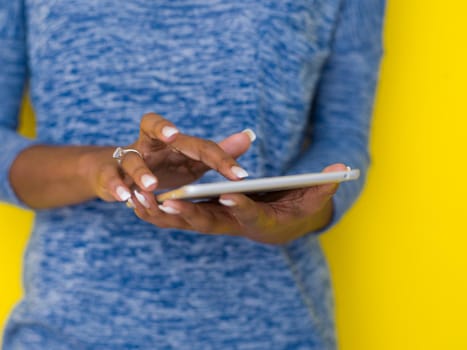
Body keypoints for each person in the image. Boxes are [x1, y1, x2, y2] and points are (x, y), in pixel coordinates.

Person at [0, 0, 385, 348]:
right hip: (65, 331)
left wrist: (294, 217)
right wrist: (99, 168)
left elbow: (343, 137)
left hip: (273, 328)